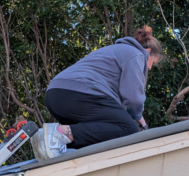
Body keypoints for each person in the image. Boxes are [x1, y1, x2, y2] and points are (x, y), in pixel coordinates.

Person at [32, 26, 166, 161]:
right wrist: (137, 115)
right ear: (148, 52)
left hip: (56, 94)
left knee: (101, 133)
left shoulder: (113, 50)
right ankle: (58, 134)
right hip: (80, 93)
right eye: (153, 63)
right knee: (129, 131)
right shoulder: (136, 55)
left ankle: (52, 142)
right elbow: (133, 97)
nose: (149, 68)